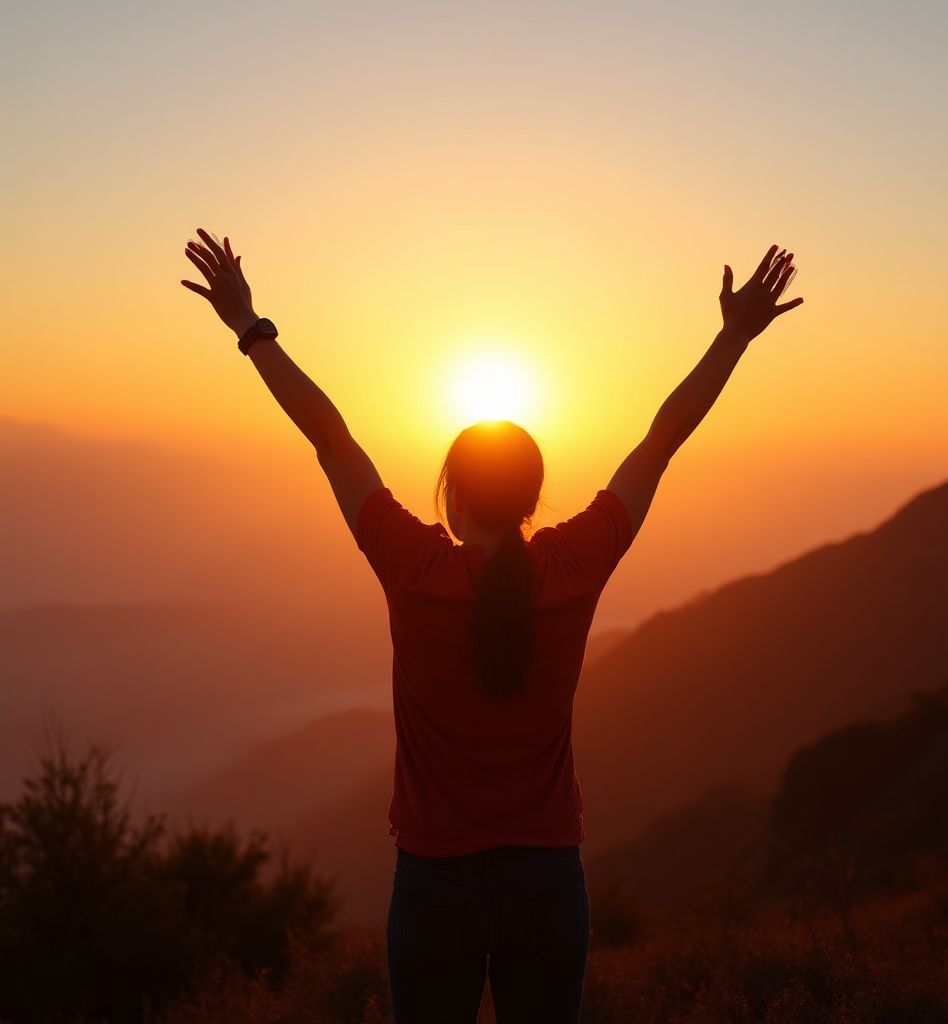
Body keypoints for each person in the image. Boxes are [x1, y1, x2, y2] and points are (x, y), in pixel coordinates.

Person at [181, 230, 803, 1022]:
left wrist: (250, 327)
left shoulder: (414, 567)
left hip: (434, 885)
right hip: (547, 884)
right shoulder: (573, 568)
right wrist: (734, 337)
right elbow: (661, 442)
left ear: (453, 495)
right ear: (533, 497)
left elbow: (330, 437)